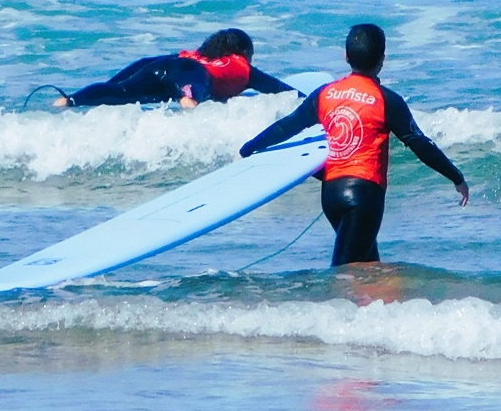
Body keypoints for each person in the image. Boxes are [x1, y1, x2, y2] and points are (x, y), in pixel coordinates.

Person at [240, 24, 469, 266]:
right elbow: (420, 143)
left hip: (331, 195)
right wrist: (456, 177)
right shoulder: (386, 100)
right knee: (344, 273)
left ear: (346, 56)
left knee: (369, 268)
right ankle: (323, 304)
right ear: (382, 60)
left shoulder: (325, 93)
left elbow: (287, 126)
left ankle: (383, 305)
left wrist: (251, 147)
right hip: (363, 197)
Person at [54, 28, 294, 108]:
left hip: (157, 64)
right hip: (189, 76)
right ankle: (188, 99)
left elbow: (154, 63)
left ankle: (71, 100)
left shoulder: (197, 55)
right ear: (243, 53)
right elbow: (280, 89)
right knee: (193, 91)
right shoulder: (241, 67)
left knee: (120, 91)